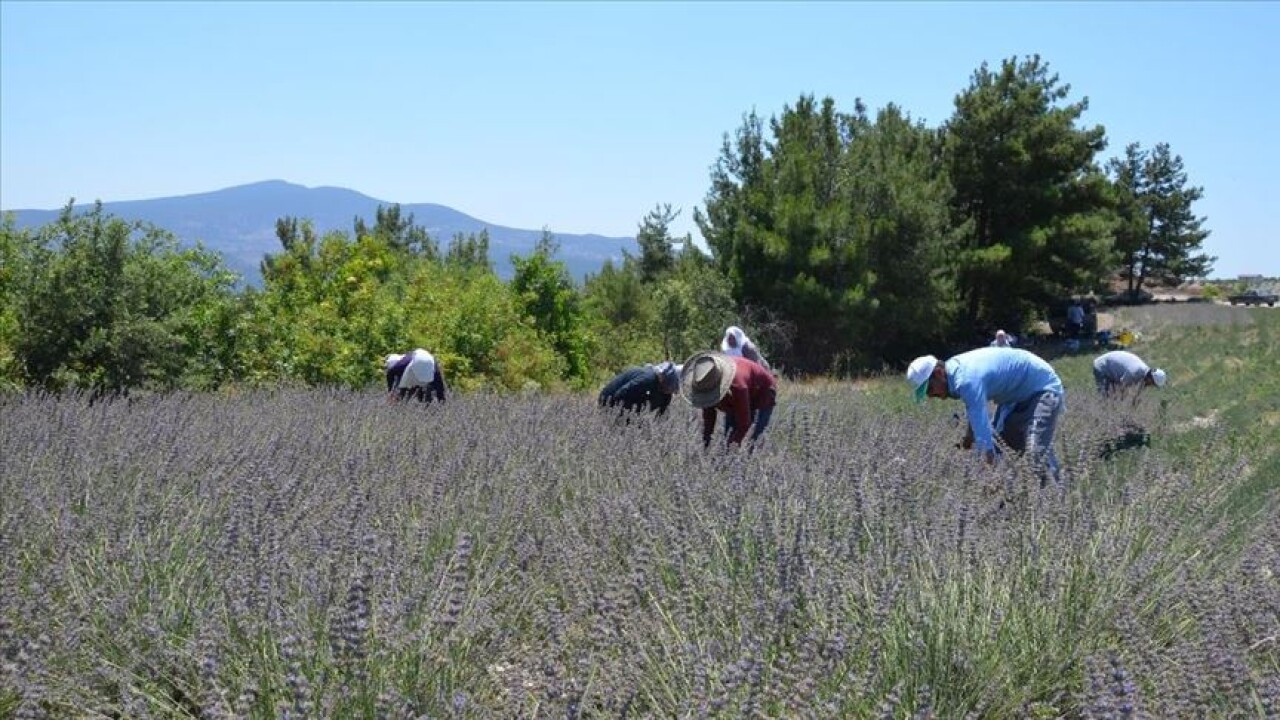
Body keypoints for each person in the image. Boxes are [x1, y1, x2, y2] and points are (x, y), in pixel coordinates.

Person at [906, 347, 1064, 486]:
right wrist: (969, 438)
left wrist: (989, 469)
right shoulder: (954, 372)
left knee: (1036, 450)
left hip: (1041, 387)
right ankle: (1011, 502)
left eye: (930, 389)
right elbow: (975, 410)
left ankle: (1057, 500)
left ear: (939, 373)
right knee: (1002, 448)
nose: (931, 396)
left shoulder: (965, 380)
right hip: (1014, 397)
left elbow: (983, 438)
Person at [681, 351, 777, 448]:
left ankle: (751, 458)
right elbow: (709, 416)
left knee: (754, 438)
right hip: (739, 391)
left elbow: (744, 423)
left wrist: (730, 451)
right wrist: (706, 444)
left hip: (763, 391)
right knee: (728, 433)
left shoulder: (738, 387)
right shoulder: (706, 382)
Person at [598, 361, 682, 415]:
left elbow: (662, 414)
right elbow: (621, 395)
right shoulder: (647, 379)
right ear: (665, 378)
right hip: (609, 401)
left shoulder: (666, 394)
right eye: (672, 386)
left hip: (629, 409)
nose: (671, 391)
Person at [1092, 350, 1167, 397]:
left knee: (1113, 397)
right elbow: (1121, 388)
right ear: (1150, 378)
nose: (1151, 386)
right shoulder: (1135, 372)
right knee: (1105, 397)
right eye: (1153, 384)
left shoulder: (1144, 373)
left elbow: (1137, 392)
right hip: (1103, 366)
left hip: (1113, 370)